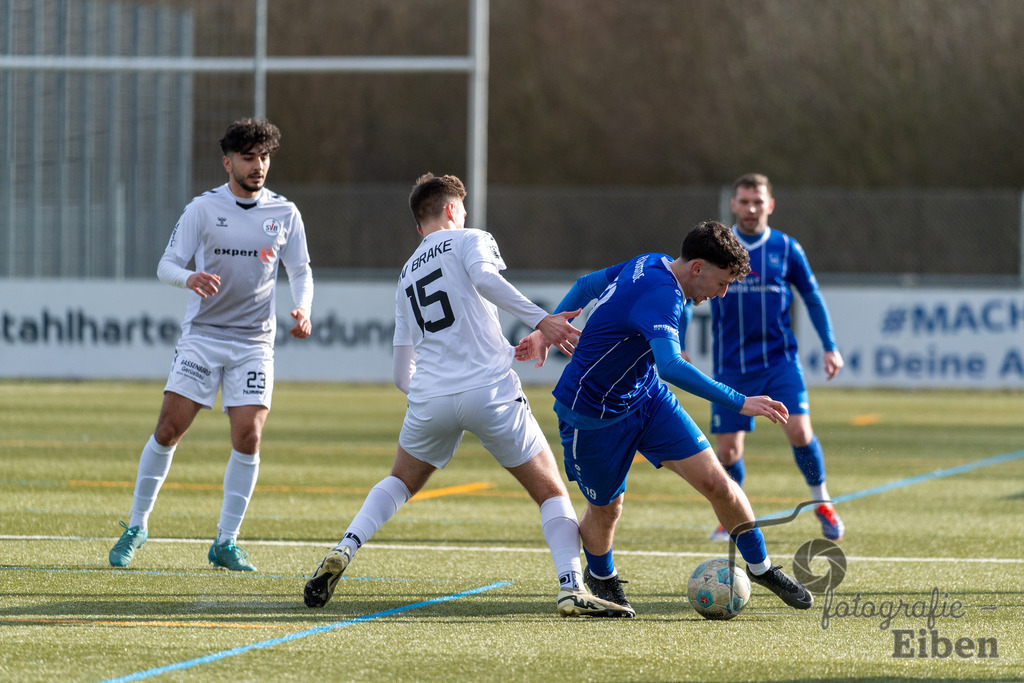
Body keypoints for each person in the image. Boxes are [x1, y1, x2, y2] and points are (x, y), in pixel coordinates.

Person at [303, 173, 632, 618]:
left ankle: (346, 545)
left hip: (430, 398)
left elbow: (402, 372)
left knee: (399, 481)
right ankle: (571, 586)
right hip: (490, 391)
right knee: (551, 491)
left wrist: (435, 391)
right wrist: (541, 320)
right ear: (454, 210)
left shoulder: (405, 275)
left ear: (419, 226)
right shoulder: (469, 238)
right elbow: (484, 279)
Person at [515, 220, 813, 614]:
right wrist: (740, 401)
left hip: (647, 399)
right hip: (591, 415)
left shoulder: (651, 261)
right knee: (607, 508)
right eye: (721, 283)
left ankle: (760, 568)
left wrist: (548, 326)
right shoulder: (663, 296)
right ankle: (601, 578)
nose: (721, 294)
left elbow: (588, 283)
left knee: (717, 483)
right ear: (697, 268)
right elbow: (671, 364)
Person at [108, 118, 314, 572]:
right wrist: (190, 277)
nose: (258, 166)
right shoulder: (202, 210)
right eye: (248, 158)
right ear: (228, 163)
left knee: (250, 436)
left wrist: (303, 308)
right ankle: (137, 525)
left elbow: (299, 270)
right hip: (203, 338)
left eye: (263, 157)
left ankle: (226, 541)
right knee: (169, 429)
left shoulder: (285, 213)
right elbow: (166, 265)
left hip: (254, 343)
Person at [679, 174, 844, 543]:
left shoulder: (787, 249)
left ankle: (822, 501)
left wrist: (830, 345)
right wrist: (679, 339)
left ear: (770, 205)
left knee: (800, 431)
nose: (750, 208)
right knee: (728, 449)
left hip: (779, 362)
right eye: (743, 201)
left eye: (757, 201)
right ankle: (731, 514)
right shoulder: (718, 250)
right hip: (731, 366)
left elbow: (812, 298)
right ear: (733, 205)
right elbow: (689, 295)